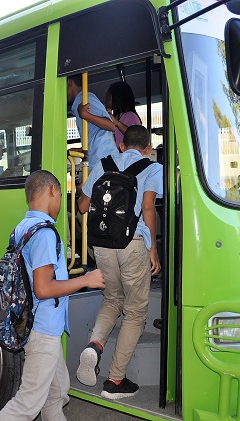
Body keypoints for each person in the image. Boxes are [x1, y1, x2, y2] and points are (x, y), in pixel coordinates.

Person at [0, 170, 105, 420]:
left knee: (57, 394)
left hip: (37, 325)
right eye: (59, 195)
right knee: (28, 402)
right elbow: (43, 289)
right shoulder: (43, 233)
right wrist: (86, 279)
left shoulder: (23, 227)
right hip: (42, 328)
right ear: (53, 191)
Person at [76, 125, 162, 399]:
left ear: (122, 145)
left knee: (112, 300)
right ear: (148, 149)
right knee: (135, 311)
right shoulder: (152, 168)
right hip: (132, 244)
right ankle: (115, 381)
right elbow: (148, 208)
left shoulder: (104, 164)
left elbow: (82, 205)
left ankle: (94, 346)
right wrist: (153, 250)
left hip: (102, 243)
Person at [67, 75, 118, 166]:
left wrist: (85, 115)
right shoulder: (79, 101)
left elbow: (111, 126)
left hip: (104, 159)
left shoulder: (85, 98)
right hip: (98, 159)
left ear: (70, 82)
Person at [105, 81, 142, 148]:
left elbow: (135, 137)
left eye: (108, 96)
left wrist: (117, 123)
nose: (106, 99)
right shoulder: (117, 117)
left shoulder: (131, 116)